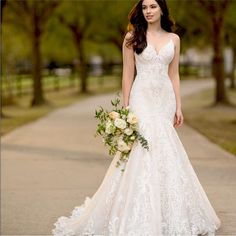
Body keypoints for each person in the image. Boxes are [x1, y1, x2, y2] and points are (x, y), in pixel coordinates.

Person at [52, 0, 221, 235]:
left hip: (164, 100)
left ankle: (169, 211)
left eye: (153, 6)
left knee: (165, 148)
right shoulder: (132, 38)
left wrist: (179, 106)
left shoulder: (174, 39)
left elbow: (174, 75)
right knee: (142, 149)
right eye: (144, 7)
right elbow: (127, 74)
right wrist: (126, 108)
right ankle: (137, 212)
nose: (149, 11)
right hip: (141, 98)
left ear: (162, 9)